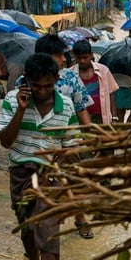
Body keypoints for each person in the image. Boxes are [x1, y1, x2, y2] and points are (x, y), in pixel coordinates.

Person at [0, 53, 79, 260]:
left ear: (56, 80)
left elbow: (71, 148)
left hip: (52, 178)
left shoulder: (66, 106)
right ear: (27, 82)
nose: (42, 92)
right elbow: (5, 142)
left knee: (49, 235)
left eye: (48, 86)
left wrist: (56, 173)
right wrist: (21, 109)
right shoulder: (12, 100)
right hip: (21, 174)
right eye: (37, 86)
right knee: (28, 230)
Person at [33, 34, 94, 238]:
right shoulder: (27, 80)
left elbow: (82, 108)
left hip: (69, 142)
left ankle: (80, 218)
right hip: (39, 144)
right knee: (42, 185)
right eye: (59, 55)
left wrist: (91, 137)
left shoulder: (70, 78)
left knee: (74, 180)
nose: (64, 59)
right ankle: (43, 229)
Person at [70, 40, 119, 125]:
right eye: (79, 58)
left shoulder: (104, 71)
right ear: (75, 57)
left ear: (91, 55)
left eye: (85, 57)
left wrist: (114, 118)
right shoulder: (70, 74)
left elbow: (111, 95)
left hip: (101, 117)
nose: (82, 61)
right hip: (79, 118)